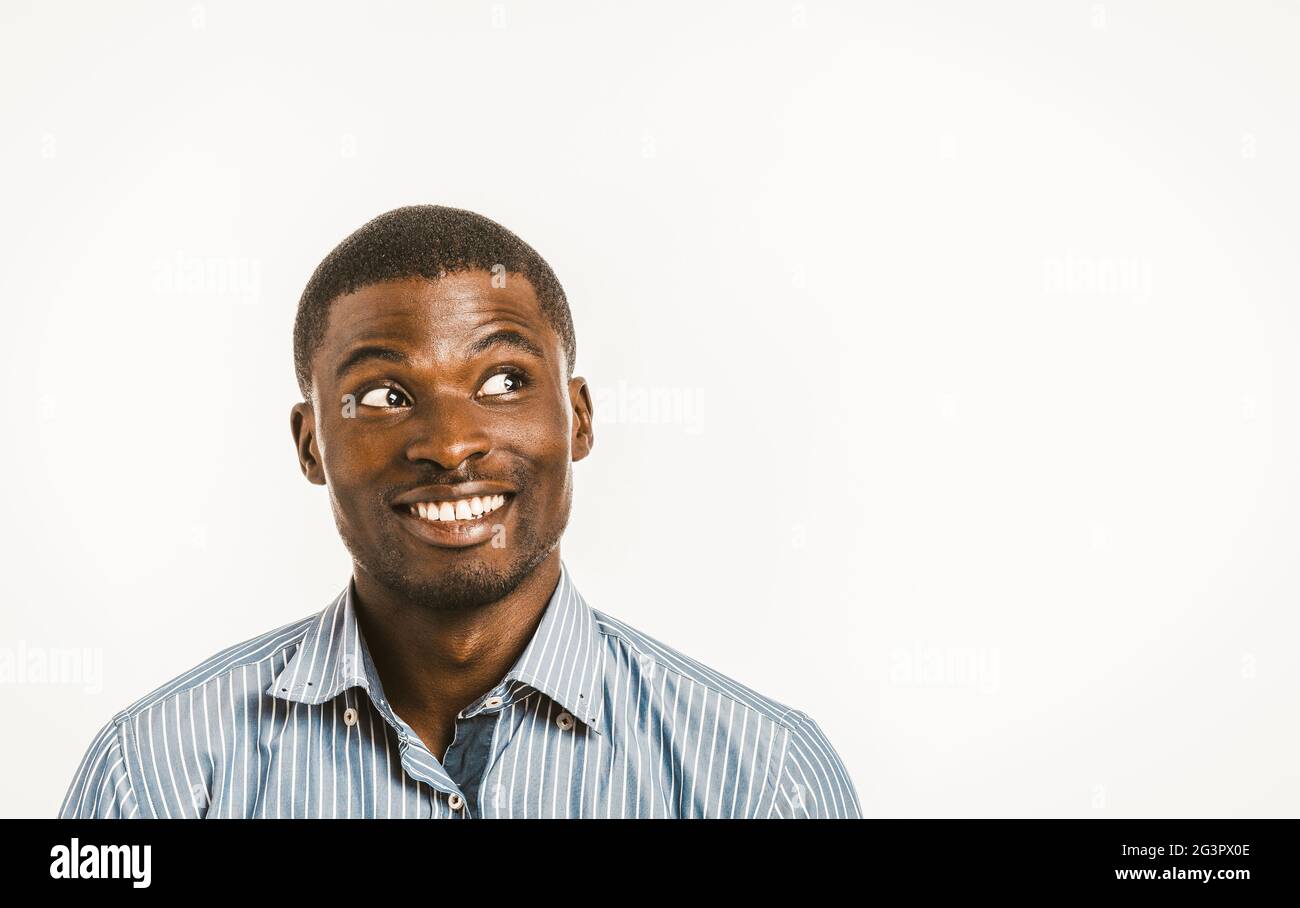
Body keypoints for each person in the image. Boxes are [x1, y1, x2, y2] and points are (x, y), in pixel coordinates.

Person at [59, 205, 861, 818]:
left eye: (504, 381)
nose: (449, 444)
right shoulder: (154, 776)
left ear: (578, 418)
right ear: (310, 445)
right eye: (383, 395)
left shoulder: (763, 779)